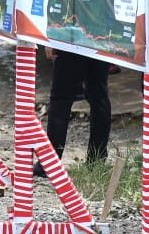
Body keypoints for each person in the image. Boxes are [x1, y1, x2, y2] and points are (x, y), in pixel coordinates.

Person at [39, 48, 110, 176]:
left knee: (60, 98)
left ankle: (50, 164)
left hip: (71, 41)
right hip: (101, 41)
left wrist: (50, 42)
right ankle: (96, 162)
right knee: (99, 97)